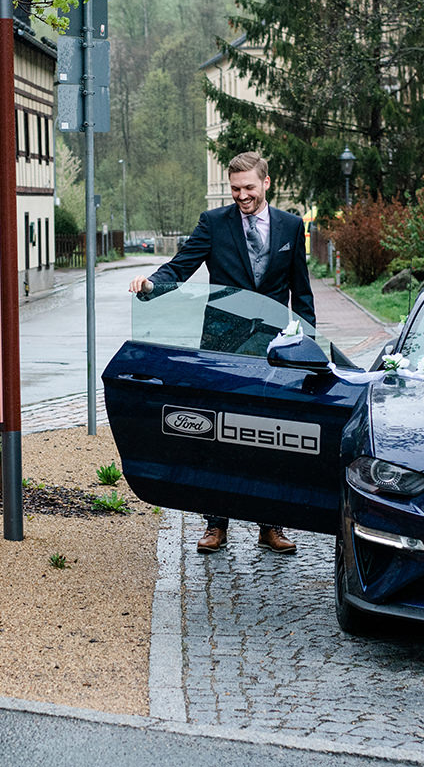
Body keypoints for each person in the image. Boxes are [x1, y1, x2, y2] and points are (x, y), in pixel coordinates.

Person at [129, 151, 315, 556]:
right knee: (217, 432)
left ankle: (271, 526)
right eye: (235, 189)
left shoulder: (290, 225)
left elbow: (300, 293)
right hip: (221, 346)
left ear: (267, 183)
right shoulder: (214, 223)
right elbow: (180, 268)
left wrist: (307, 343)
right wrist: (150, 286)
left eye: (249, 188)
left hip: (271, 349)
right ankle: (216, 525)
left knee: (270, 435)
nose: (242, 196)